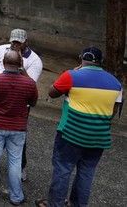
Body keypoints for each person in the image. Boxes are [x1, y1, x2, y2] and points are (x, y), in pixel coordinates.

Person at [35, 47, 123, 207]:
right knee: (87, 172)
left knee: (63, 169)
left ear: (81, 58)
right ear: (100, 61)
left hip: (71, 133)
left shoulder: (72, 75)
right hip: (99, 136)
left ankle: (56, 204)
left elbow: (52, 93)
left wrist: (70, 75)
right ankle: (77, 204)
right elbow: (112, 112)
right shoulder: (116, 83)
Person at [0, 50, 38, 206]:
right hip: (18, 127)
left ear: (3, 63)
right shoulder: (29, 83)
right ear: (20, 64)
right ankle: (16, 196)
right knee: (15, 161)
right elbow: (33, 103)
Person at [0, 28, 43, 180]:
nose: (15, 45)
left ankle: (21, 168)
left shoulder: (35, 61)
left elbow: (31, 85)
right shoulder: (1, 49)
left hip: (20, 104)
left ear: (26, 42)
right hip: (0, 99)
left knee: (18, 141)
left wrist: (20, 65)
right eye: (13, 41)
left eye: (19, 42)